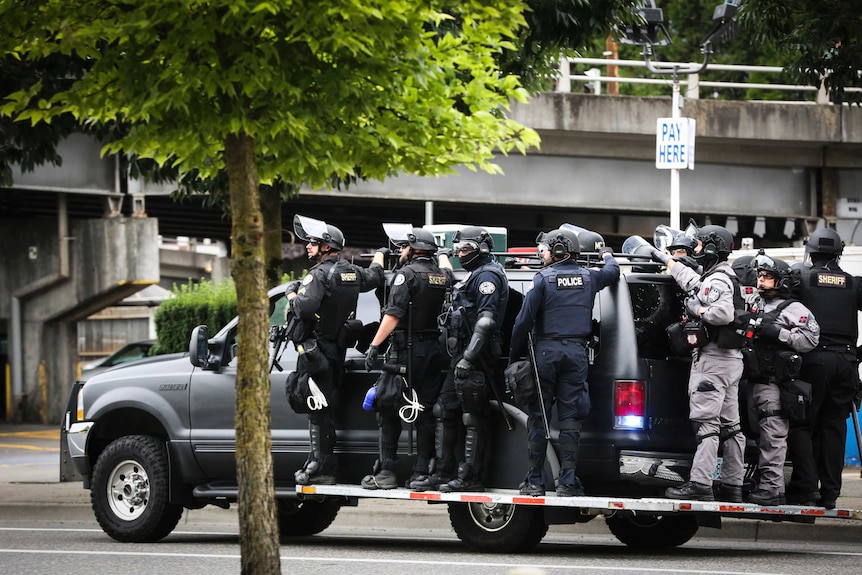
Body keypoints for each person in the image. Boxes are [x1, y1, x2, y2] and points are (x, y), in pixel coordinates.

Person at [509, 228, 619, 496]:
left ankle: (535, 481)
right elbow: (613, 272)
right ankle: (567, 483)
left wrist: (514, 355)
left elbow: (523, 322)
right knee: (571, 421)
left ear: (559, 250)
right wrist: (606, 254)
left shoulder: (542, 280)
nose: (541, 253)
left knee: (539, 418)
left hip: (546, 353)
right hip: (577, 354)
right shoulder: (589, 277)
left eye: (545, 248)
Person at [289, 214, 386, 486]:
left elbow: (304, 308)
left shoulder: (318, 274)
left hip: (314, 350)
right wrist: (380, 254)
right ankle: (317, 461)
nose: (308, 246)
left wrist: (291, 293)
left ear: (327, 247)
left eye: (313, 243)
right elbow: (375, 277)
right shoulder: (351, 272)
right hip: (336, 351)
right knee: (325, 406)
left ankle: (321, 466)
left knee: (317, 408)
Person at [360, 225, 454, 490]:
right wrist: (443, 253)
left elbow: (393, 315)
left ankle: (387, 471)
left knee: (388, 407)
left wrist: (375, 346)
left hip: (405, 351)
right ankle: (421, 472)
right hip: (431, 351)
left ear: (413, 249)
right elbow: (450, 273)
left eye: (404, 247)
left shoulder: (406, 274)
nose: (401, 251)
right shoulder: (439, 275)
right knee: (423, 410)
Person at [662, 224, 747, 502]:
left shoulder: (717, 280)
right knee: (731, 426)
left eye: (698, 245)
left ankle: (700, 484)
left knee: (707, 425)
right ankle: (733, 485)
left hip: (713, 362)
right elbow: (695, 283)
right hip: (730, 360)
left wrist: (696, 309)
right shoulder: (725, 276)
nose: (695, 249)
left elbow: (720, 312)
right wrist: (670, 262)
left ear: (711, 247)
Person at [422, 226, 509, 493]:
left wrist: (469, 358)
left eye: (466, 249)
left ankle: (471, 477)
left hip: (477, 360)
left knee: (473, 417)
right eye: (458, 249)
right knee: (444, 409)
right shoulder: (474, 275)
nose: (461, 254)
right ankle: (441, 472)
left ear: (481, 249)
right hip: (459, 357)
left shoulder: (488, 277)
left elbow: (486, 321)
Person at [786, 228, 862, 508]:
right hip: (846, 363)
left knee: (802, 423)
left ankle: (806, 487)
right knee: (834, 427)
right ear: (838, 253)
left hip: (813, 361)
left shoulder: (801, 279)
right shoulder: (854, 284)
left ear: (811, 252)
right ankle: (830, 493)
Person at [742, 252, 819, 505]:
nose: (761, 280)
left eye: (768, 277)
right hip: (751, 383)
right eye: (760, 276)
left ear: (782, 281)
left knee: (772, 437)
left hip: (774, 384)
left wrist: (779, 333)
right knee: (753, 437)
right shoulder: (754, 302)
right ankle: (756, 483)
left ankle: (772, 489)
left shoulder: (794, 309)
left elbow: (810, 340)